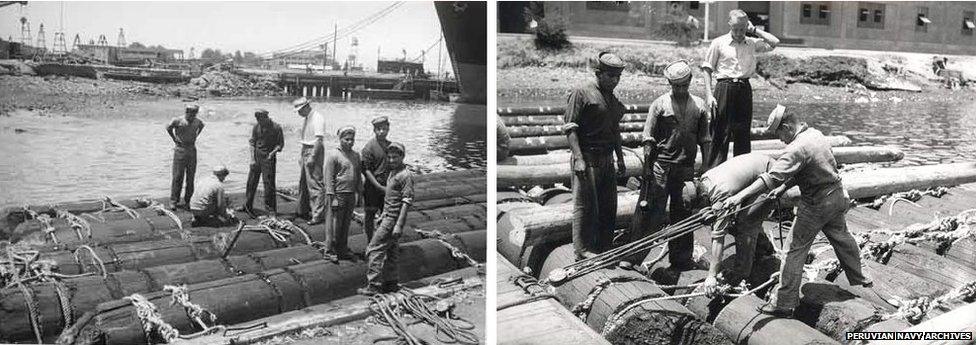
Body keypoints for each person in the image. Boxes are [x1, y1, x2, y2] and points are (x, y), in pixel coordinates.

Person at [722, 105, 872, 317]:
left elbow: (770, 177)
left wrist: (738, 196)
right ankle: (861, 277)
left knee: (793, 251)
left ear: (787, 127)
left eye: (779, 134)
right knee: (842, 237)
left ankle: (784, 304)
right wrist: (782, 189)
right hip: (837, 195)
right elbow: (808, 168)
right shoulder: (815, 135)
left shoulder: (795, 149)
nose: (780, 139)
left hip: (816, 204)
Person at [634, 60, 712, 269]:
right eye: (675, 86)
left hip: (686, 169)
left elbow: (705, 139)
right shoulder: (659, 104)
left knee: (683, 215)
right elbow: (648, 138)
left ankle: (681, 259)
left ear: (690, 82)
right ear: (669, 83)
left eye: (683, 86)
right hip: (662, 167)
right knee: (652, 213)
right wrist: (648, 170)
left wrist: (705, 167)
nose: (679, 90)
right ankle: (634, 258)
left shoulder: (700, 106)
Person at [675, 152, 782, 295]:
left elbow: (718, 238)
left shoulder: (720, 193)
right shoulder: (706, 179)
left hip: (770, 174)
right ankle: (763, 249)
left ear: (702, 198)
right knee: (736, 220)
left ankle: (742, 273)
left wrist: (711, 276)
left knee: (746, 222)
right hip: (759, 167)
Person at [563, 51, 627, 261]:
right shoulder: (581, 93)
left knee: (609, 206)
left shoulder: (612, 99)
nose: (614, 81)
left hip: (607, 159)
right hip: (587, 158)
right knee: (584, 206)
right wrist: (579, 158)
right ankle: (582, 250)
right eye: (610, 76)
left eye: (617, 77)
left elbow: (615, 130)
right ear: (599, 73)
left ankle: (604, 247)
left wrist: (620, 157)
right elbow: (570, 128)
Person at [701, 9, 780, 170]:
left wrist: (755, 30)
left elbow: (775, 42)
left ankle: (741, 172)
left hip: (744, 89)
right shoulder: (718, 43)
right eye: (735, 29)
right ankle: (713, 171)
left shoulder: (751, 43)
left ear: (747, 26)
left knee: (743, 133)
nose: (738, 33)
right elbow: (707, 69)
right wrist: (709, 95)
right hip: (724, 88)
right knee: (719, 132)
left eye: (742, 29)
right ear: (729, 25)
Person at [360, 142, 414, 296]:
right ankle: (391, 282)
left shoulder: (405, 176)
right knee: (391, 250)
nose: (391, 160)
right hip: (387, 216)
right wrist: (383, 215)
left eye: (395, 157)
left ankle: (374, 286)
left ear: (402, 157)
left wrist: (398, 225)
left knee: (373, 249)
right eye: (389, 157)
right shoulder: (393, 172)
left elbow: (406, 202)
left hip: (392, 219)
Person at [323, 126, 363, 261]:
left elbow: (357, 175)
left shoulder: (356, 155)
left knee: (346, 224)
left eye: (352, 139)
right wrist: (332, 196)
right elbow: (328, 178)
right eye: (347, 139)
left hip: (350, 194)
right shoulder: (334, 155)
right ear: (340, 139)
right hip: (337, 194)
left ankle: (343, 249)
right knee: (334, 224)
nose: (350, 142)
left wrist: (360, 194)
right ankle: (329, 250)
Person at [240, 109, 283, 217]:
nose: (259, 122)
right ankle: (247, 205)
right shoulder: (256, 127)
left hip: (269, 158)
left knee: (269, 184)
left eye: (261, 119)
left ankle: (270, 210)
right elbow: (252, 143)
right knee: (251, 182)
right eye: (257, 119)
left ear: (266, 117)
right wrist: (252, 159)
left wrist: (272, 153)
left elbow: (280, 145)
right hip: (256, 156)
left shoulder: (276, 127)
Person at [294, 97, 328, 225]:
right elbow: (306, 138)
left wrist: (313, 157)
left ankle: (317, 215)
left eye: (299, 110)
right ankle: (302, 210)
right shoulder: (307, 118)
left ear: (306, 107)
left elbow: (319, 140)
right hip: (305, 149)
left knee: (314, 183)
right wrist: (302, 156)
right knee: (303, 182)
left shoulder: (317, 118)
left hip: (314, 150)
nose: (298, 113)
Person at [165, 104, 205, 210]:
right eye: (191, 113)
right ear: (187, 111)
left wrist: (196, 136)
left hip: (192, 150)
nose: (193, 115)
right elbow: (168, 128)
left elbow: (202, 126)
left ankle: (189, 200)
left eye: (195, 113)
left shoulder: (197, 121)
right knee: (178, 177)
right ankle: (174, 201)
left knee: (191, 177)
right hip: (180, 150)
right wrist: (174, 138)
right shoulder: (178, 120)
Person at [361, 116, 391, 243]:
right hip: (372, 187)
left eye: (384, 129)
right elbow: (366, 170)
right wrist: (378, 186)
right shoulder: (369, 147)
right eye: (379, 129)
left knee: (387, 214)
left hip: (387, 185)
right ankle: (370, 240)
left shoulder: (391, 146)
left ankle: (384, 240)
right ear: (374, 130)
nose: (382, 132)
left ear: (388, 128)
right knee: (370, 214)